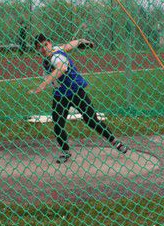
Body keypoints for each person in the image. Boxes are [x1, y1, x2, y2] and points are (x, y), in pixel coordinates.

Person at [29, 33, 128, 163]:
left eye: (45, 45)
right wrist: (80, 41)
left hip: (76, 91)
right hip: (60, 95)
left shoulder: (56, 56)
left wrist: (42, 85)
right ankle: (65, 151)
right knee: (58, 124)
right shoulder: (56, 50)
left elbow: (61, 68)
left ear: (49, 43)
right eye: (39, 47)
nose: (43, 49)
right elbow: (70, 45)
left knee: (91, 120)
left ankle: (114, 141)